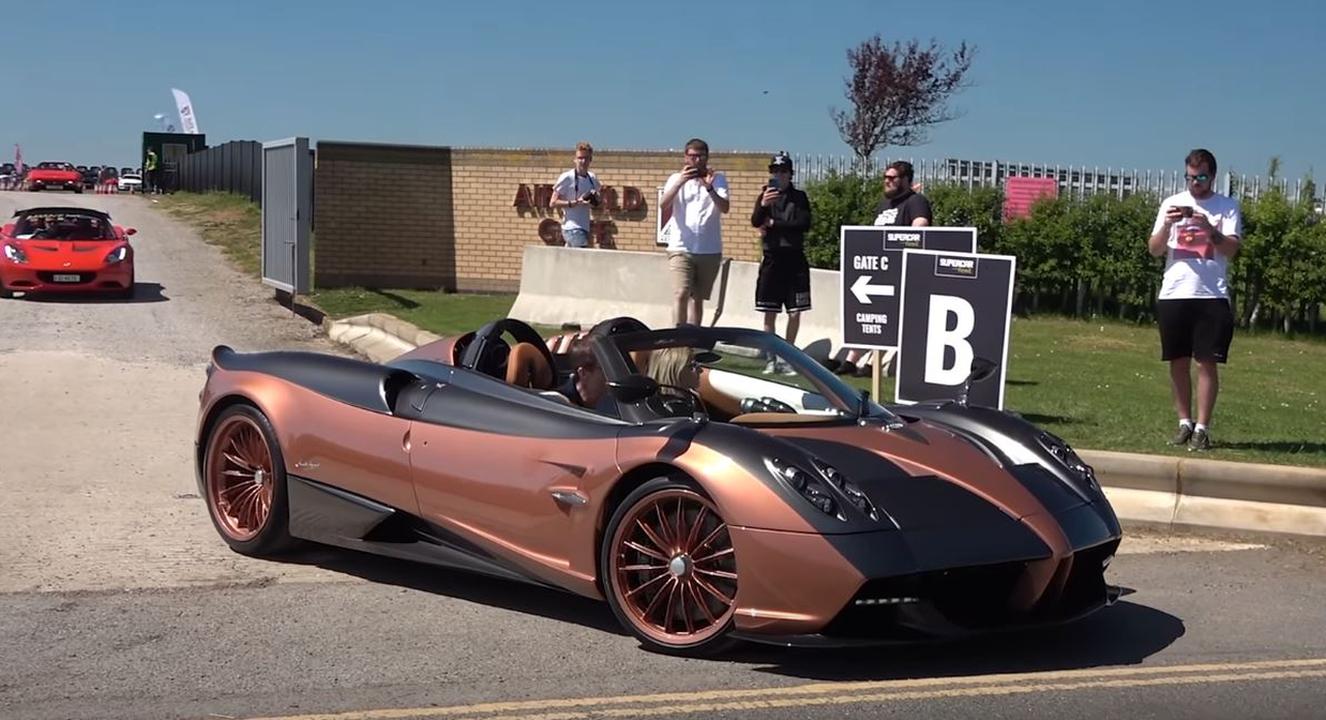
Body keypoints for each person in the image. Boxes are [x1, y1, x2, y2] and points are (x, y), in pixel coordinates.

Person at [1147, 148, 1242, 452]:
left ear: (1212, 176)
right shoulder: (1171, 203)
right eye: (1189, 177)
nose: (1194, 184)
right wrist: (1167, 225)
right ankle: (1184, 423)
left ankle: (1202, 428)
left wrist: (1208, 228)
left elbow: (1231, 249)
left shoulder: (1226, 206)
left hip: (1211, 294)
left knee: (1206, 362)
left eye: (1200, 178)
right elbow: (1155, 249)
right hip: (1174, 293)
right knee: (1177, 360)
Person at [835, 161, 934, 376]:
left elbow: (920, 228)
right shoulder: (884, 205)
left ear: (905, 180)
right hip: (879, 270)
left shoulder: (916, 201)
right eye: (885, 177)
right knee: (872, 317)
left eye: (892, 178)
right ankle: (852, 360)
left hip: (902, 272)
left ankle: (874, 363)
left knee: (891, 318)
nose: (887, 181)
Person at [751, 151, 812, 374]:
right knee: (769, 311)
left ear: (790, 174)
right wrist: (763, 205)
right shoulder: (765, 195)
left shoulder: (800, 197)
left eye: (783, 171)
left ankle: (789, 358)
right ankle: (771, 358)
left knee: (795, 312)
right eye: (775, 171)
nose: (779, 175)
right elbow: (756, 221)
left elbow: (804, 223)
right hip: (772, 258)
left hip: (794, 259)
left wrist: (774, 223)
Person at [661, 138, 729, 327]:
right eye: (692, 156)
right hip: (681, 247)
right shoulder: (675, 179)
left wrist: (709, 187)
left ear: (707, 157)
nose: (696, 160)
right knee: (681, 292)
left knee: (697, 298)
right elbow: (663, 204)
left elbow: (724, 207)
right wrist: (680, 182)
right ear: (685, 157)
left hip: (709, 249)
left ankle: (694, 337)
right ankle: (678, 335)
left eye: (701, 156)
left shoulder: (718, 179)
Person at [549, 142, 601, 248]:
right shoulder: (567, 177)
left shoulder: (592, 178)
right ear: (575, 159)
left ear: (590, 160)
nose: (583, 161)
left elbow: (599, 200)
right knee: (583, 255)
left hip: (585, 227)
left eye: (586, 158)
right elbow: (553, 202)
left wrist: (594, 201)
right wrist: (574, 202)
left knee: (572, 257)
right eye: (580, 158)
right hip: (571, 228)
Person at [555, 336, 615, 414]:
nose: (611, 376)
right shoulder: (558, 406)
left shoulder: (614, 405)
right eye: (605, 369)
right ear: (583, 373)